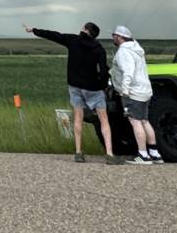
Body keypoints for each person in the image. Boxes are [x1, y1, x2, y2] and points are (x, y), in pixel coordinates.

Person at [23, 20, 114, 163]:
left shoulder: (73, 40)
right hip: (93, 89)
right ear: (94, 35)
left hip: (75, 86)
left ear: (84, 29)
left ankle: (78, 152)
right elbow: (103, 71)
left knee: (78, 117)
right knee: (104, 120)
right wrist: (102, 86)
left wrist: (34, 30)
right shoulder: (99, 49)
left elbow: (54, 35)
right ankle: (109, 154)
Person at [110, 24, 160, 164]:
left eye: (114, 35)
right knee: (144, 120)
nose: (112, 38)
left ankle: (143, 155)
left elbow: (128, 71)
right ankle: (155, 153)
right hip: (145, 91)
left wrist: (125, 91)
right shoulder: (137, 50)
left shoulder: (123, 52)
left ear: (119, 37)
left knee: (135, 122)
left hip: (133, 93)